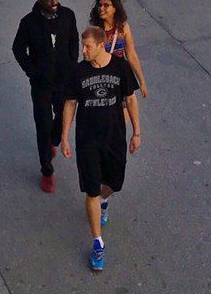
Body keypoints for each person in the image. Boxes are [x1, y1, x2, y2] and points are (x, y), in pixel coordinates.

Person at [59, 26, 142, 273]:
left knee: (115, 183)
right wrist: (64, 136)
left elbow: (130, 99)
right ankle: (97, 243)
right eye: (83, 46)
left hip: (114, 138)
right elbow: (70, 103)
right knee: (91, 190)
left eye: (87, 47)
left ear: (101, 45)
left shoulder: (120, 69)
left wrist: (137, 132)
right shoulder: (78, 71)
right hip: (88, 142)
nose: (83, 51)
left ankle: (105, 200)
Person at [12, 0, 80, 194]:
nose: (55, 2)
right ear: (41, 0)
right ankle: (47, 170)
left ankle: (53, 139)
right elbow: (18, 49)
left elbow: (73, 41)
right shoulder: (29, 23)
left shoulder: (68, 15)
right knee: (42, 125)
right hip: (41, 84)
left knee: (63, 117)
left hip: (63, 81)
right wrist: (32, 71)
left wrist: (71, 64)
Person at [89, 0, 148, 99]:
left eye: (106, 5)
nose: (101, 8)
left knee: (126, 105)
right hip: (102, 76)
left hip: (120, 73)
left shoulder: (123, 27)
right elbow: (89, 57)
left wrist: (142, 81)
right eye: (100, 5)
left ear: (115, 8)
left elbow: (131, 55)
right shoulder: (94, 30)